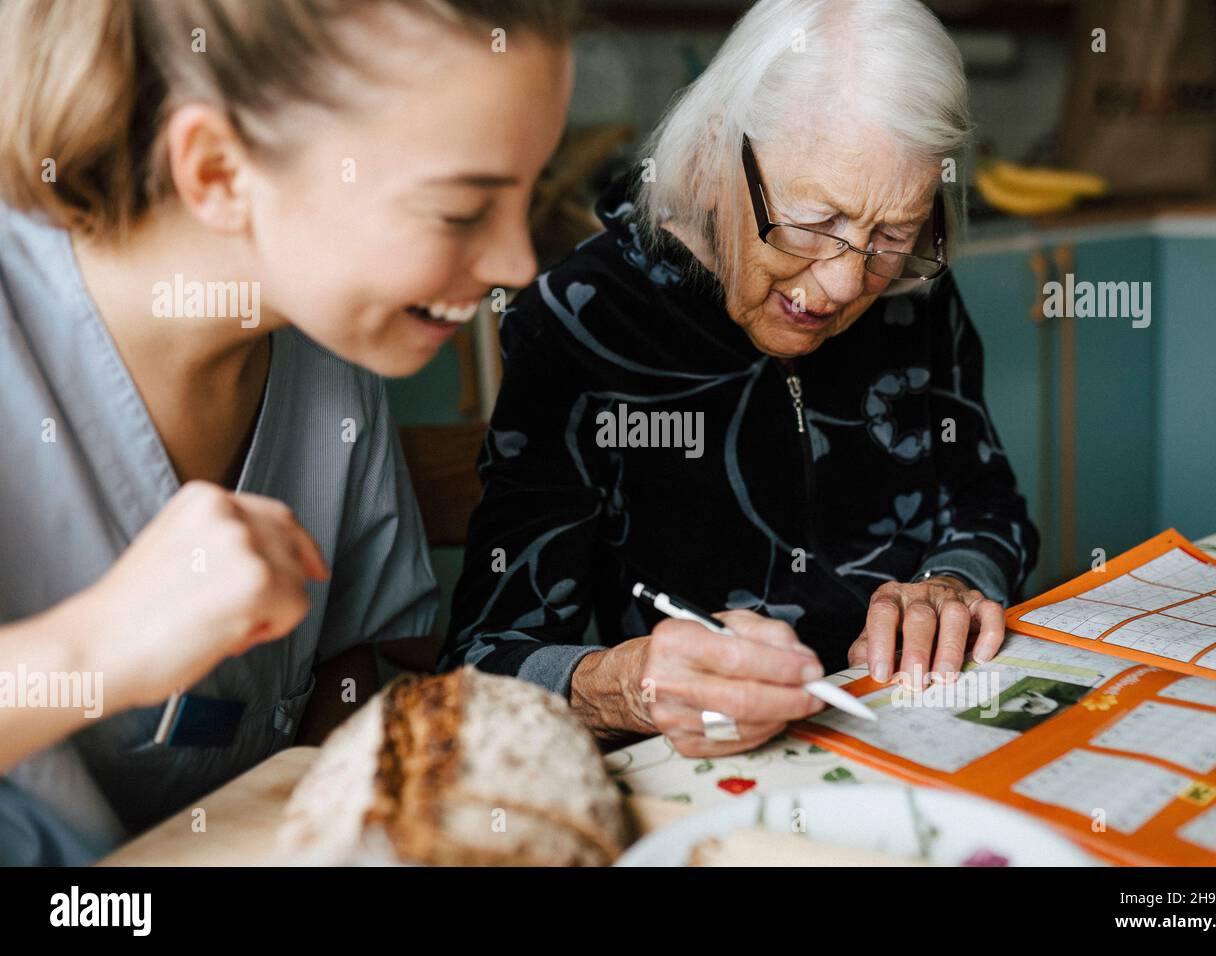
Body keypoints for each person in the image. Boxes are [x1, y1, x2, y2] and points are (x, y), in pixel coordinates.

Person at [0, 0, 576, 865]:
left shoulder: (330, 339)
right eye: (461, 211)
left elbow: (355, 654)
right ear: (219, 171)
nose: (518, 268)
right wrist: (101, 644)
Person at [447, 0, 1039, 757]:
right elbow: (480, 660)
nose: (841, 285)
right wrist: (628, 685)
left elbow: (988, 505)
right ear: (715, 151)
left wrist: (953, 584)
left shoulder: (909, 291)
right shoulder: (580, 322)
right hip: (707, 766)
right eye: (813, 221)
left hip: (920, 730)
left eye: (891, 235)